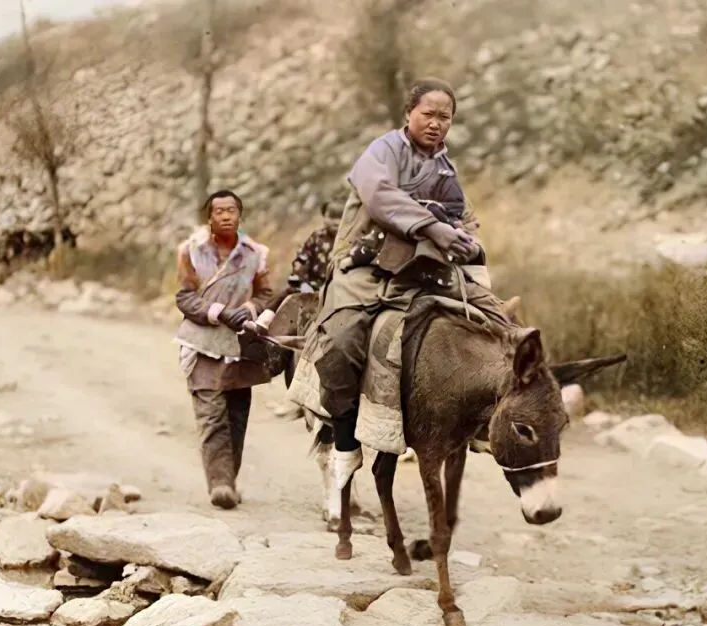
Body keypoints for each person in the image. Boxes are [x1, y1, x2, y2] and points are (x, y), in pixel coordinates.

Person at [307, 77, 509, 488]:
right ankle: (344, 435)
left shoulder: (445, 167)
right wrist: (433, 226)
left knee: (498, 323)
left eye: (445, 117)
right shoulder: (381, 152)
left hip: (425, 267)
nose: (436, 123)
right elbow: (380, 196)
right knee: (342, 340)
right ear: (408, 113)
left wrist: (464, 238)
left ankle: (486, 418)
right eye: (428, 114)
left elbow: (464, 217)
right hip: (365, 263)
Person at [173, 189, 274, 510]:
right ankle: (220, 484)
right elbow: (185, 297)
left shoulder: (255, 253)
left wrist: (248, 309)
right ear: (209, 218)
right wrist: (219, 313)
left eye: (232, 210)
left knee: (236, 417)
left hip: (241, 346)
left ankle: (229, 480)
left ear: (240, 216)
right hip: (203, 342)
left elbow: (266, 294)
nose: (226, 216)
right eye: (219, 211)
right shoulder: (191, 251)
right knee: (211, 416)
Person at [288, 200, 343, 294]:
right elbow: (302, 260)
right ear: (324, 216)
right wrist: (303, 283)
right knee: (283, 297)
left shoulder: (352, 239)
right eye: (331, 217)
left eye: (340, 218)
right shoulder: (316, 237)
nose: (336, 222)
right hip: (314, 286)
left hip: (341, 288)